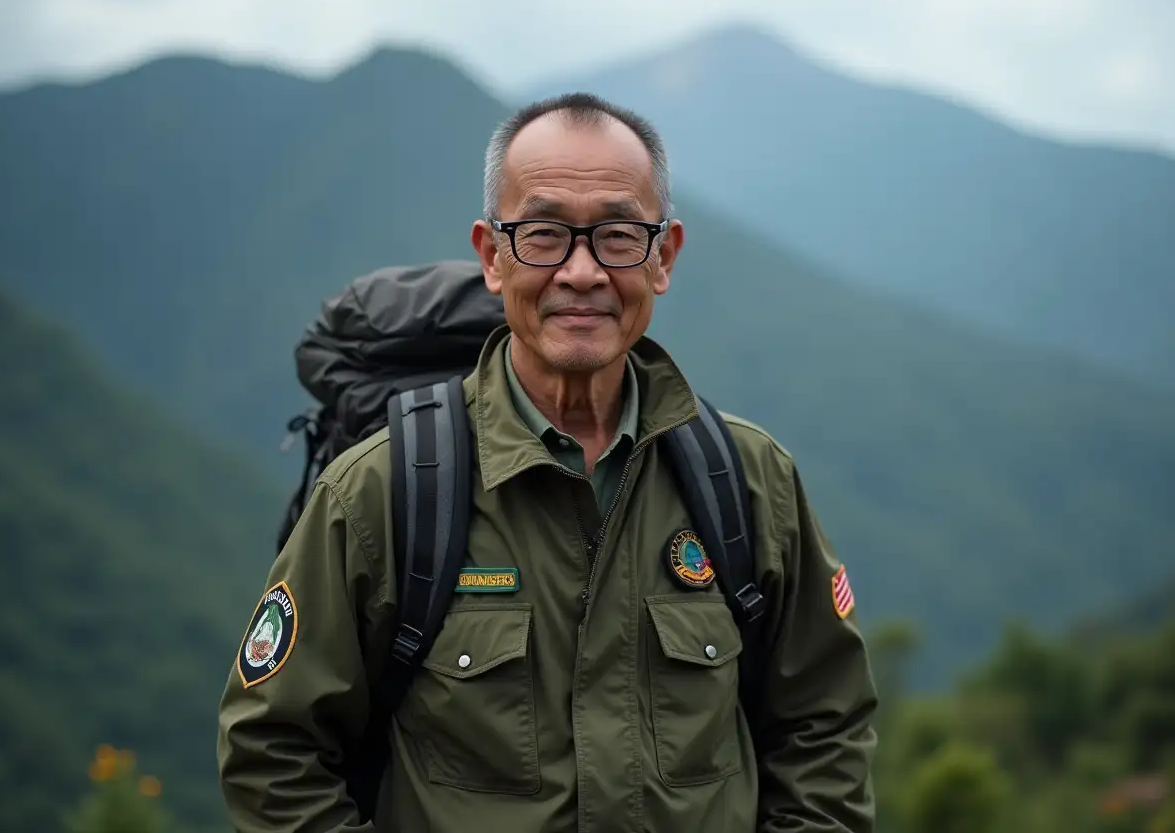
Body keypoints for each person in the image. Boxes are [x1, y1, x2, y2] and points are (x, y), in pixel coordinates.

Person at [216, 93, 878, 832]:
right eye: (544, 234)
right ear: (491, 256)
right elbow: (273, 750)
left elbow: (826, 725)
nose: (583, 271)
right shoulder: (381, 492)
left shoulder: (750, 483)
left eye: (619, 235)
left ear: (664, 256)